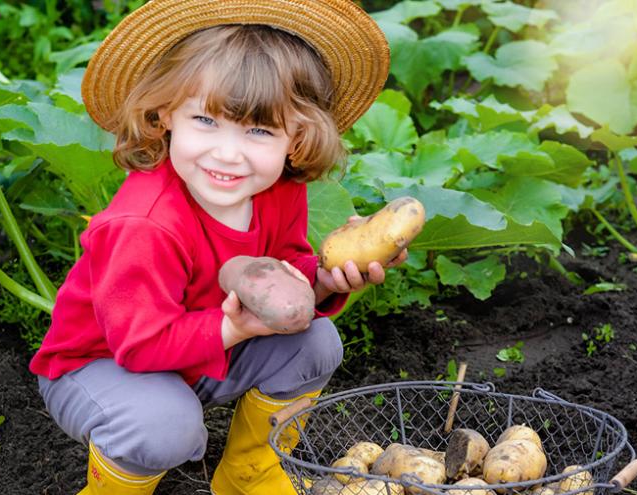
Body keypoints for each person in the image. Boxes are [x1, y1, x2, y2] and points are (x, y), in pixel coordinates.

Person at [28, 1, 394, 494]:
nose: (227, 152)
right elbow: (138, 345)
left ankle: (248, 471)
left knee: (315, 343)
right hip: (102, 365)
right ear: (163, 116)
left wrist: (322, 280)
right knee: (164, 425)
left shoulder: (279, 189)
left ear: (297, 138)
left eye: (259, 131)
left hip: (199, 351)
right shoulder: (145, 223)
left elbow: (283, 268)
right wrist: (234, 326)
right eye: (205, 120)